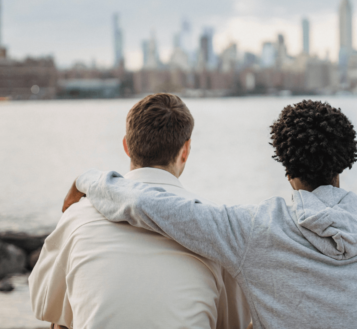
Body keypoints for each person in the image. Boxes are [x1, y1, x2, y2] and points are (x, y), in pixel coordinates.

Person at [65, 99, 357, 329]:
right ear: (345, 161)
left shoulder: (249, 229)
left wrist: (89, 180)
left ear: (284, 162)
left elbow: (147, 204)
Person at [29, 93, 250, 329]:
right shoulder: (217, 227)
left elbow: (43, 305)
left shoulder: (78, 216)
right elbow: (231, 323)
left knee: (60, 322)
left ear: (126, 145)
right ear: (185, 150)